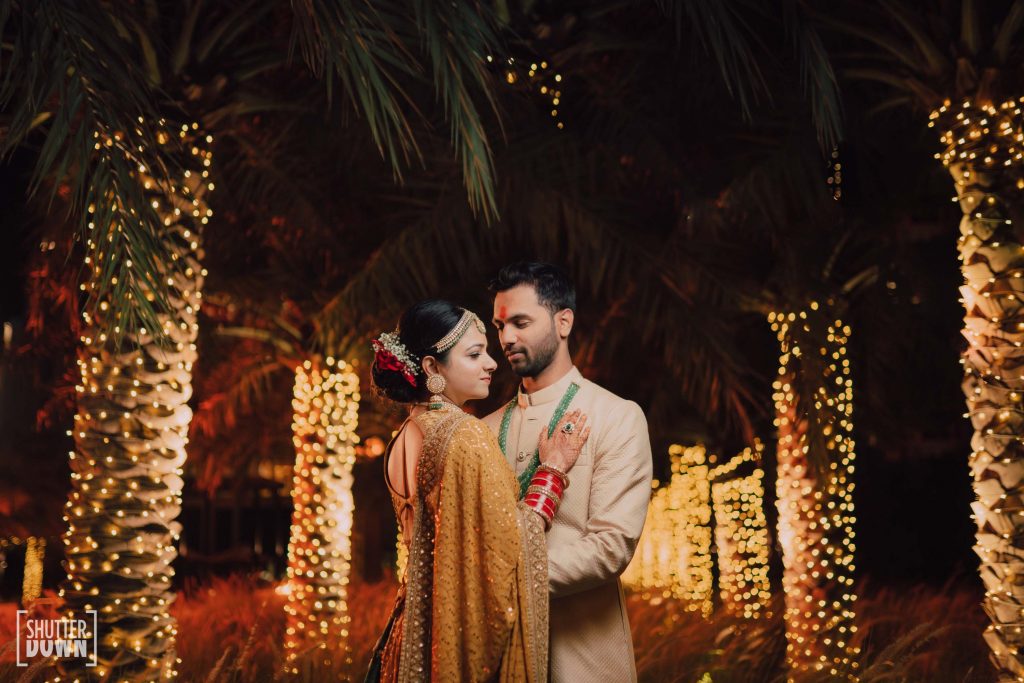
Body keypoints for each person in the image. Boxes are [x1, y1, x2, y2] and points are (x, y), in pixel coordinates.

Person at [366, 299, 591, 683]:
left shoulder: (402, 438)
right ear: (432, 368)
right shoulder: (463, 435)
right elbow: (508, 544)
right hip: (448, 640)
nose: (491, 362)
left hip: (407, 641)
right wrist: (552, 471)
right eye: (475, 354)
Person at [483, 262, 653, 683]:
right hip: (498, 660)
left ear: (563, 321)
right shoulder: (482, 430)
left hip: (585, 660)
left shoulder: (615, 416)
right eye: (500, 325)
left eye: (520, 322)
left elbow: (612, 544)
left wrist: (501, 579)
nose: (506, 338)